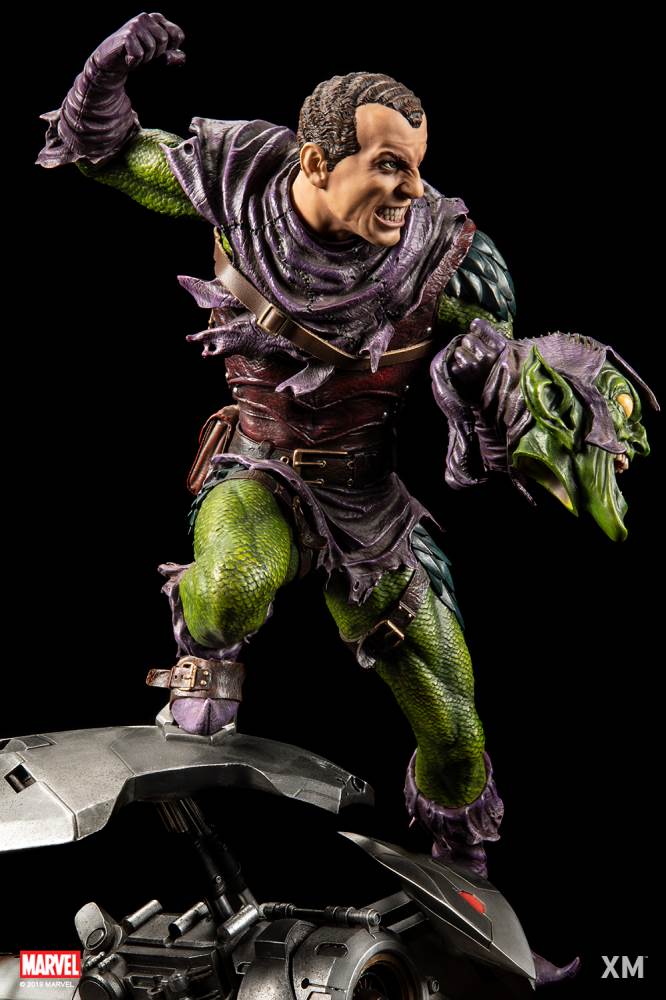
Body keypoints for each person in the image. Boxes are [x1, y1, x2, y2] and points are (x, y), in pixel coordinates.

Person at [38, 13, 656, 987]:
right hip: (257, 470)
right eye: (390, 167)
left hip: (369, 505)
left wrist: (508, 381)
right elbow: (108, 154)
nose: (412, 191)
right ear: (318, 162)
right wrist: (101, 72)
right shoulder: (238, 184)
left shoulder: (445, 253)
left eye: (419, 168)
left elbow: (504, 357)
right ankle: (205, 649)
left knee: (455, 733)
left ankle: (466, 900)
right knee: (233, 583)